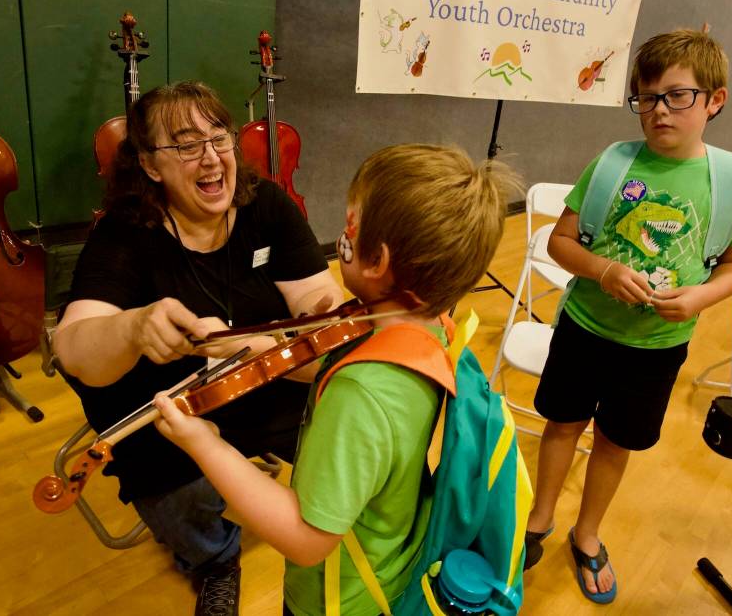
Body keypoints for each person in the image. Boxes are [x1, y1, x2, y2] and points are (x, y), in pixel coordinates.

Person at [151, 144, 518, 615]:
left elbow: (306, 539)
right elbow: (322, 353)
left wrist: (205, 443)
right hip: (390, 555)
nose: (342, 232)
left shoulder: (362, 394)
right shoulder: (427, 325)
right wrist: (235, 343)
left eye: (352, 221)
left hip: (337, 598)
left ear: (377, 261)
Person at [52, 81, 343, 616]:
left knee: (338, 412)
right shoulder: (125, 234)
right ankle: (214, 560)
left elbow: (316, 298)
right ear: (150, 165)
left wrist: (316, 317)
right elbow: (73, 348)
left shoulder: (266, 206)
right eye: (186, 145)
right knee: (175, 487)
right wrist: (135, 328)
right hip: (164, 407)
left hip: (260, 380)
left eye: (219, 138)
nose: (211, 158)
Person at [522, 29, 732, 603]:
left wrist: (699, 297)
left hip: (656, 347)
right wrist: (602, 271)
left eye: (677, 96)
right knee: (562, 424)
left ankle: (588, 532)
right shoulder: (613, 162)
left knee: (615, 442)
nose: (658, 111)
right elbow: (560, 243)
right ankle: (538, 522)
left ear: (715, 100)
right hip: (585, 328)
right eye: (646, 97)